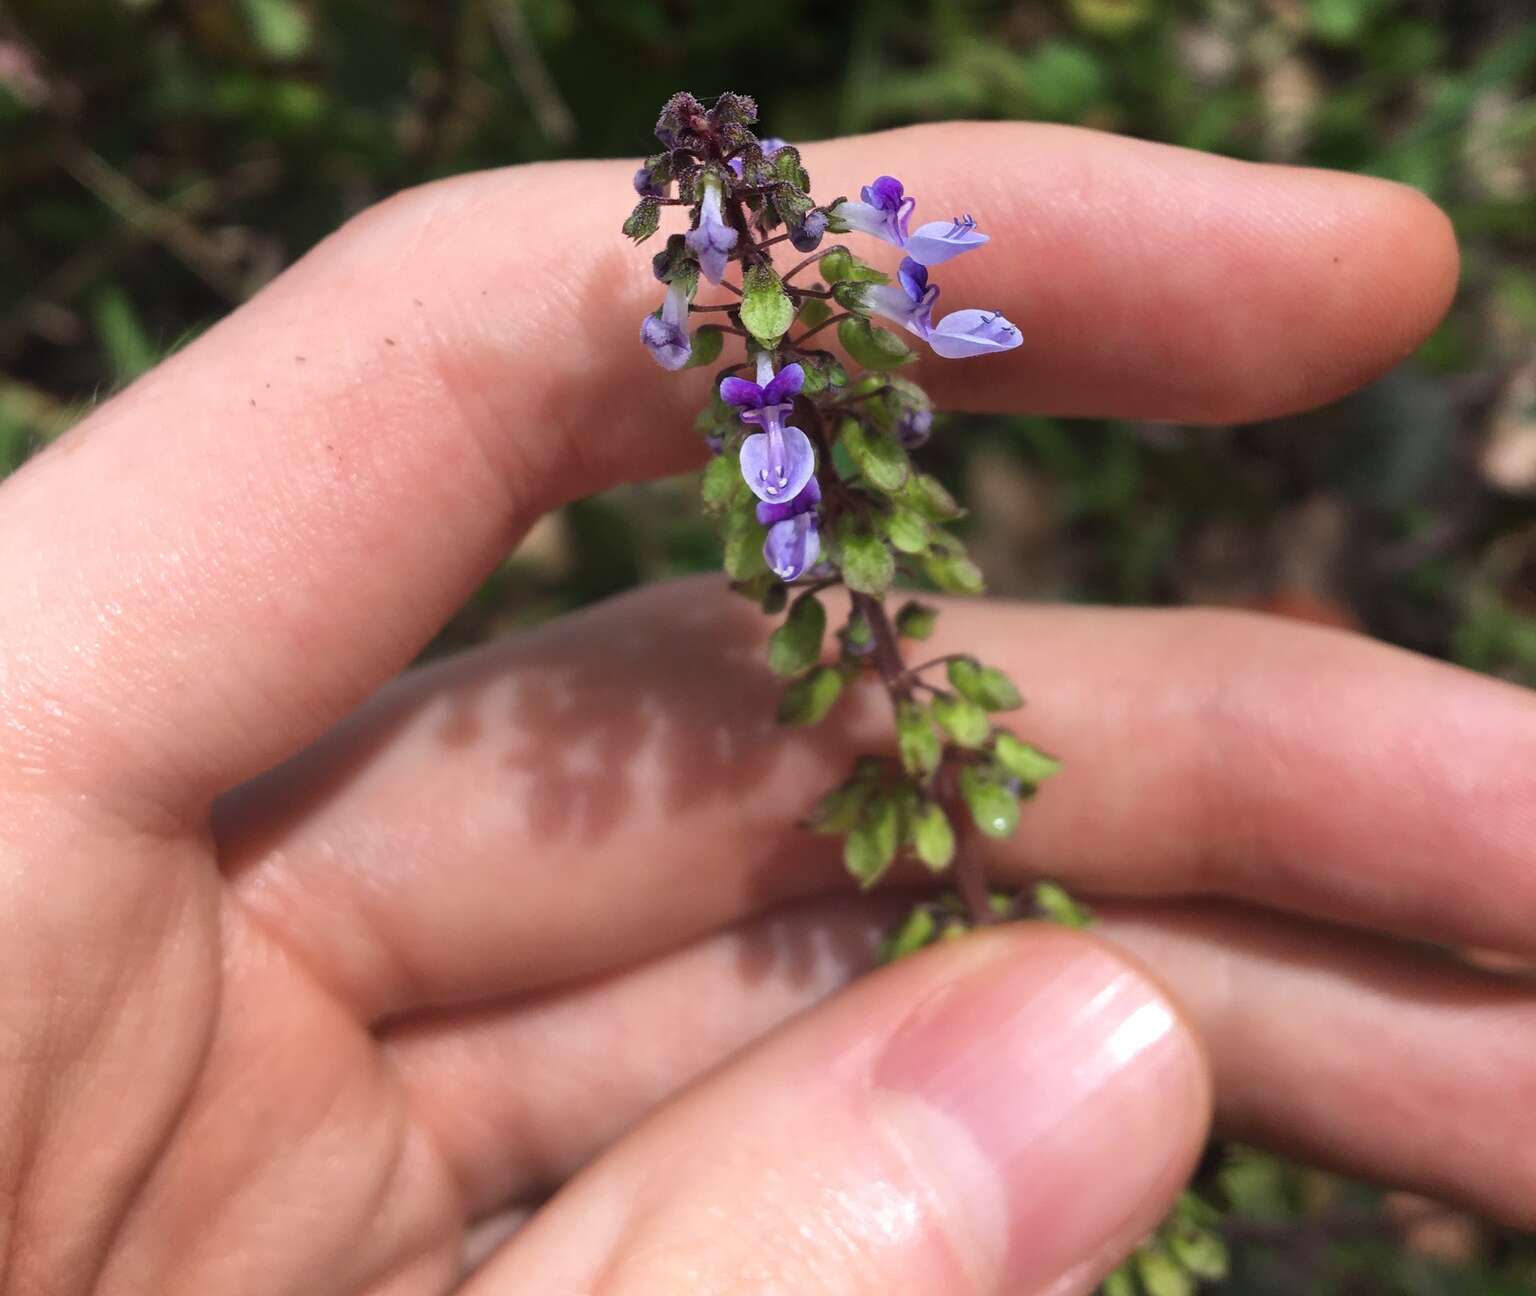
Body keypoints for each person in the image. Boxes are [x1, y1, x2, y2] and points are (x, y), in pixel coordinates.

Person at [0, 122, 1527, 1296]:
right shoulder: (753, 398)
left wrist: (873, 307)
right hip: (806, 475)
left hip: (839, 477)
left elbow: (905, 308)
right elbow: (737, 386)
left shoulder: (844, 313)